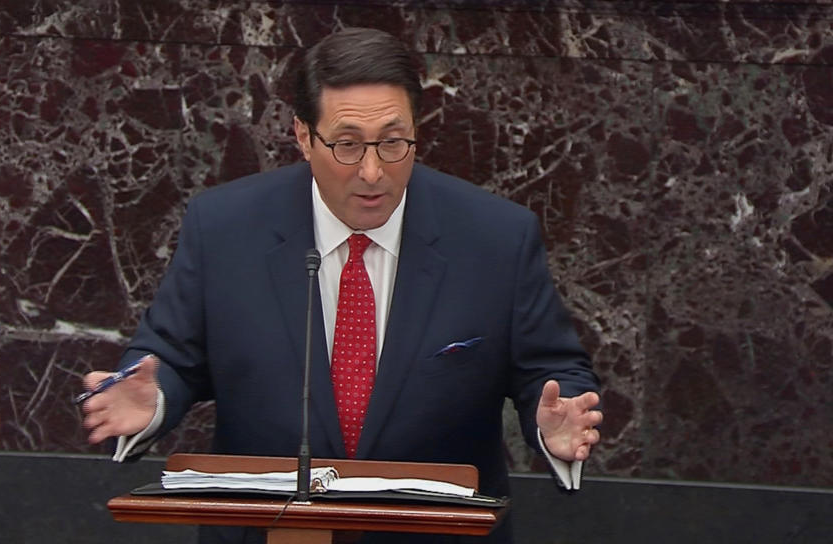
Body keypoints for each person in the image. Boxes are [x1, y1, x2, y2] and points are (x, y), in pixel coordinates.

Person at [80, 27, 602, 543]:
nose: (373, 172)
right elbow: (170, 355)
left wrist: (554, 425)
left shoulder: (495, 238)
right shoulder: (224, 229)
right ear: (304, 136)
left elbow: (551, 370)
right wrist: (154, 402)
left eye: (393, 143)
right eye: (348, 145)